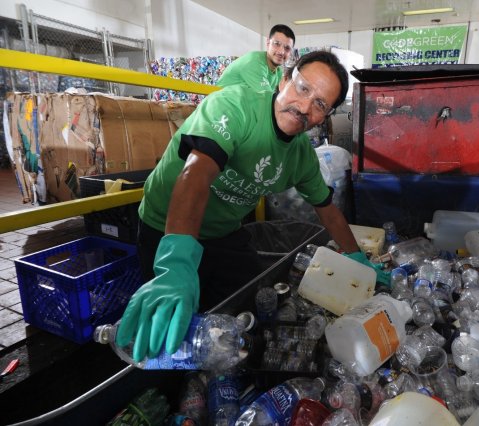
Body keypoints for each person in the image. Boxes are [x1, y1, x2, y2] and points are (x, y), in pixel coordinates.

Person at [116, 50, 385, 362]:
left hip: (223, 232)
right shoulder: (235, 107)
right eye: (302, 88)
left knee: (253, 307)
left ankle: (224, 370)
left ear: (324, 118)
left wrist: (356, 257)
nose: (304, 106)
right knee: (170, 329)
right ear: (284, 80)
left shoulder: (301, 158)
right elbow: (196, 176)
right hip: (167, 227)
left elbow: (327, 210)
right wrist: (176, 263)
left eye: (320, 104)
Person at [216, 24, 295, 91]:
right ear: (268, 42)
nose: (281, 52)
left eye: (287, 48)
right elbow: (267, 98)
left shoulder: (278, 72)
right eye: (277, 44)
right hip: (221, 106)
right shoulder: (254, 62)